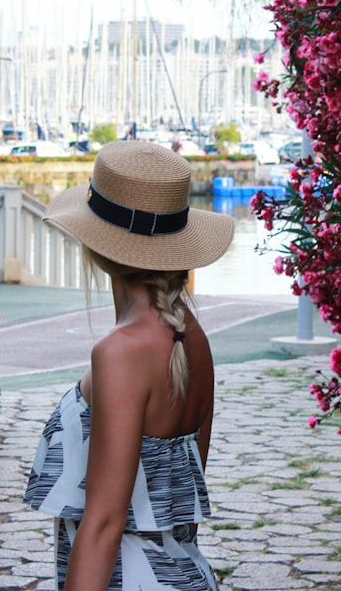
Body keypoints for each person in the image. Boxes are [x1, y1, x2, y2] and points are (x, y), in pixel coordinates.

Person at [24, 141, 235, 591]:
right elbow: (182, 497)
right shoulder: (190, 337)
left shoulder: (120, 353)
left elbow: (102, 526)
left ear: (99, 246)